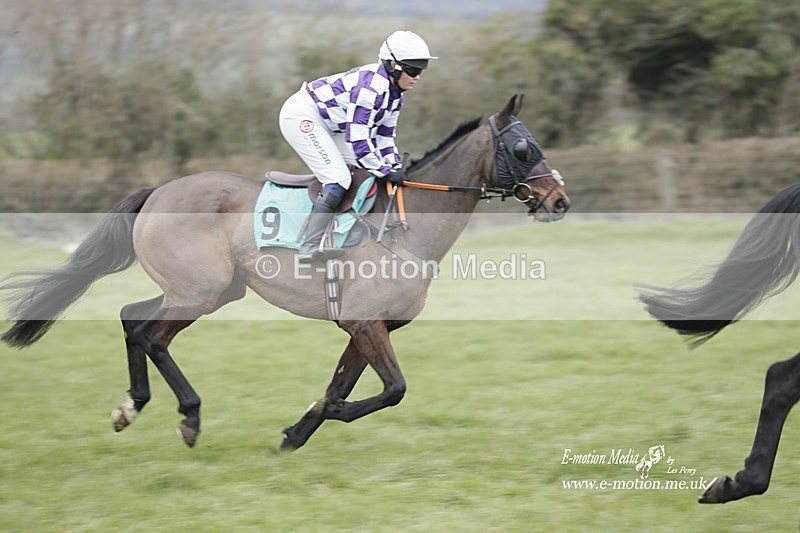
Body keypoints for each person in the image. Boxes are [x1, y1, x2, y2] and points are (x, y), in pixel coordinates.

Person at [278, 30, 437, 263]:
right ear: (393, 65)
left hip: (330, 125)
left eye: (421, 70)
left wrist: (393, 165)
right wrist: (383, 171)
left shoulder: (395, 96)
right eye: (413, 70)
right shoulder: (371, 89)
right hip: (302, 117)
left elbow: (384, 138)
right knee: (339, 179)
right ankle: (309, 247)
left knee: (366, 170)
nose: (418, 77)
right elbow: (359, 139)